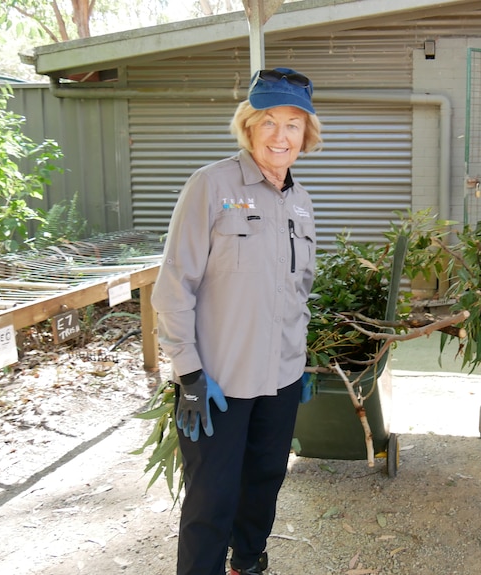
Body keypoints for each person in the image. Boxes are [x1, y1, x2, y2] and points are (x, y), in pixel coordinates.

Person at [151, 68, 322, 575]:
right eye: (268, 121)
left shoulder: (302, 203)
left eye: (293, 124)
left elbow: (299, 290)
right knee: (211, 499)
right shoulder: (211, 185)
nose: (280, 135)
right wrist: (188, 373)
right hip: (218, 382)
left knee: (266, 479)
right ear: (248, 126)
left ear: (305, 135)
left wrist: (301, 361)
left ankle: (247, 562)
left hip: (282, 379)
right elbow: (173, 285)